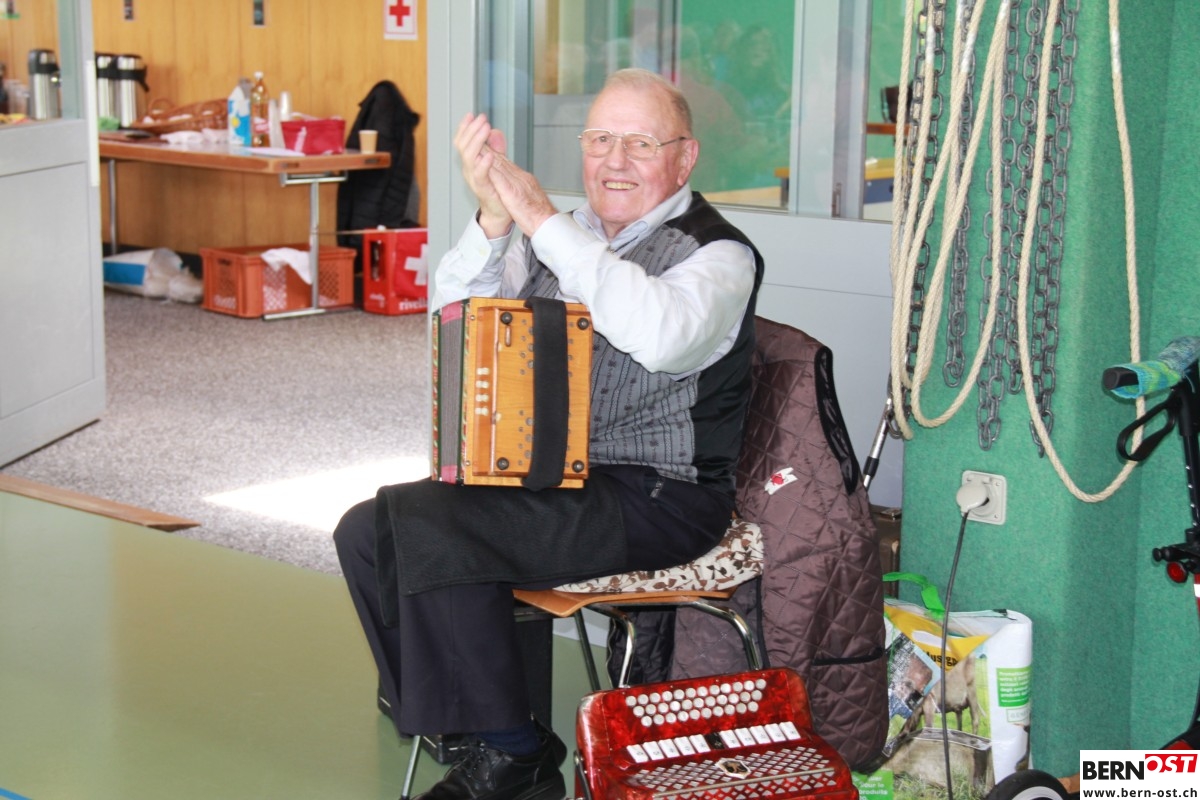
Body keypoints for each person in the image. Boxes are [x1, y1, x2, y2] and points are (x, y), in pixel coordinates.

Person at [333, 67, 764, 800]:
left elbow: (659, 335)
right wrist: (495, 220)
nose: (615, 160)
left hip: (660, 497)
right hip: (553, 478)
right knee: (364, 531)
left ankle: (512, 757)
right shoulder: (562, 235)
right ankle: (483, 735)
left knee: (431, 522)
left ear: (685, 157)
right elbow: (455, 319)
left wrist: (541, 222)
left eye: (640, 143)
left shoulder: (719, 254)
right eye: (600, 140)